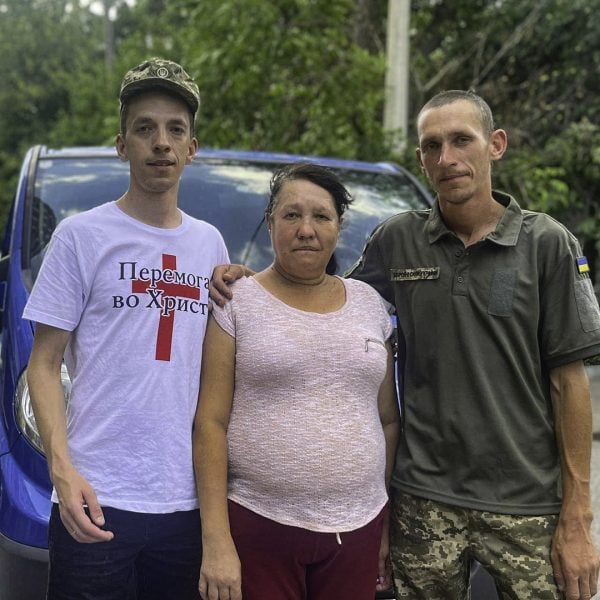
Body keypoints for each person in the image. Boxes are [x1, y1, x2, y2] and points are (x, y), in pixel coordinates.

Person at [210, 91, 600, 600]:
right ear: (420, 159)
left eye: (462, 140)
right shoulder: (398, 242)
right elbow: (325, 300)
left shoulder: (547, 244)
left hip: (525, 506)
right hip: (422, 504)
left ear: (496, 145)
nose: (447, 158)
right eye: (432, 145)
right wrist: (247, 278)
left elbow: (569, 384)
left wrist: (578, 514)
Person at [24, 58, 229, 599]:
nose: (160, 142)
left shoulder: (210, 245)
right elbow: (42, 364)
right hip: (95, 496)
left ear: (192, 148)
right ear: (122, 144)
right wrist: (62, 474)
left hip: (185, 506)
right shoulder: (80, 236)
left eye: (175, 130)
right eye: (145, 128)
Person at [193, 162, 400, 600]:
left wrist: (383, 524)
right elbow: (210, 423)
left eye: (321, 216)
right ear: (271, 224)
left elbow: (387, 420)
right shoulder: (235, 302)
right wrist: (216, 540)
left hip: (358, 531)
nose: (306, 229)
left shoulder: (369, 305)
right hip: (259, 527)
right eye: (291, 215)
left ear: (339, 227)